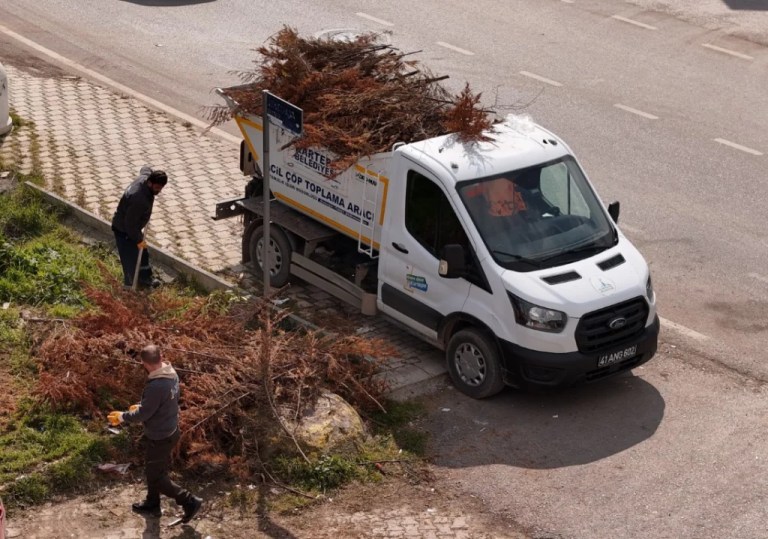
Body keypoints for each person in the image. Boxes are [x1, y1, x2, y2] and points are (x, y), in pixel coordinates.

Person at [108, 345, 203, 522]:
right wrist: (142, 405)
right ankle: (152, 503)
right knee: (153, 470)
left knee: (157, 477)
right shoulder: (170, 373)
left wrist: (122, 417)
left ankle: (189, 501)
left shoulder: (156, 385)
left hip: (160, 437)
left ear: (144, 363)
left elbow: (144, 414)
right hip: (170, 430)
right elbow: (160, 403)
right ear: (161, 357)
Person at [111, 166, 167, 289]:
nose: (159, 191)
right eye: (157, 188)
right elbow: (130, 225)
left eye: (161, 188)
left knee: (143, 252)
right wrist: (138, 240)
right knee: (130, 260)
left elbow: (145, 168)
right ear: (150, 183)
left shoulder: (144, 178)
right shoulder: (139, 199)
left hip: (132, 228)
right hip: (124, 232)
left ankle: (145, 278)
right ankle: (129, 287)